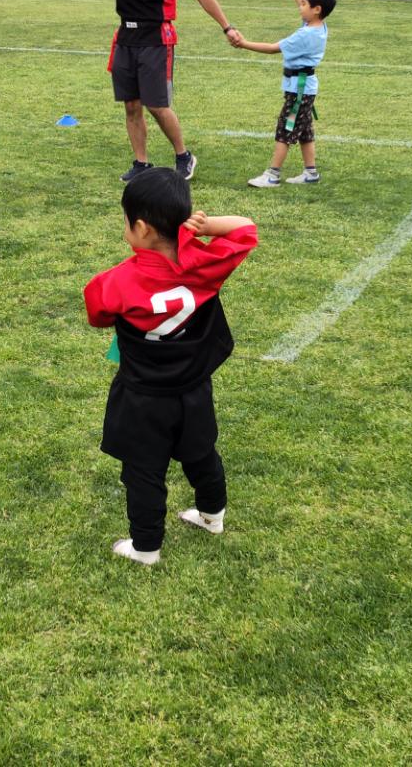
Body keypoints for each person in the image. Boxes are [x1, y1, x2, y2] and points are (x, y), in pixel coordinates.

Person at [83, 168, 258, 565]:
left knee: (143, 470)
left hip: (143, 396)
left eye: (126, 221)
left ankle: (146, 547)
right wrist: (206, 227)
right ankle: (212, 516)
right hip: (194, 387)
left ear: (142, 228)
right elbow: (245, 228)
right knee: (201, 452)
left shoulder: (113, 282)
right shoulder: (208, 263)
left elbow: (98, 315)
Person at [71, 0, 242, 181]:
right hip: (125, 37)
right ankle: (141, 163)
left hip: (156, 39)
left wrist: (227, 26)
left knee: (157, 105)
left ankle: (184, 156)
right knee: (131, 105)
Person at [231, 0, 334, 187]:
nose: (299, 6)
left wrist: (243, 43)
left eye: (304, 4)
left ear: (316, 9)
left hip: (299, 91)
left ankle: (273, 175)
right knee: (304, 131)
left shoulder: (305, 35)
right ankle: (311, 173)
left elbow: (272, 48)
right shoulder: (318, 25)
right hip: (304, 88)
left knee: (285, 129)